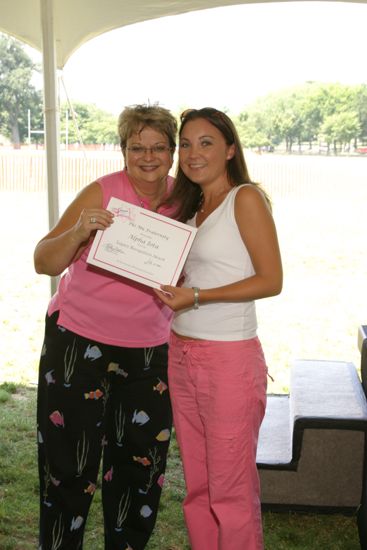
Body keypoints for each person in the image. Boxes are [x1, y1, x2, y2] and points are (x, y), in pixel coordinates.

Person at [34, 104, 178, 550]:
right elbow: (43, 260)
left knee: (140, 468)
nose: (148, 157)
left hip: (148, 350)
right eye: (137, 147)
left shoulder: (187, 199)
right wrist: (78, 232)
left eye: (158, 147)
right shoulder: (101, 192)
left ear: (172, 152)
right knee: (69, 465)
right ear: (123, 150)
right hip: (77, 342)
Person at [155, 107, 283, 550]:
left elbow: (271, 280)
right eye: (186, 144)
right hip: (182, 352)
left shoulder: (244, 198)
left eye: (206, 142)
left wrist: (199, 297)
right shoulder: (191, 209)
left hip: (228, 357)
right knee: (198, 487)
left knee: (230, 490)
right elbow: (203, 275)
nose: (193, 153)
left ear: (230, 150)